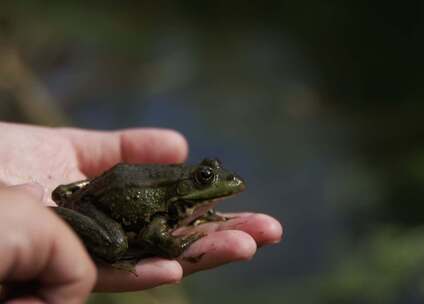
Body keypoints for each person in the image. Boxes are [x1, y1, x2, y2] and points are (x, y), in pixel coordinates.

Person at [0, 122, 282, 304]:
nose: (223, 180)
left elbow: (65, 191)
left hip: (94, 191)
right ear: (187, 183)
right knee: (116, 245)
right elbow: (152, 234)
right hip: (104, 211)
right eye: (205, 177)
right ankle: (71, 230)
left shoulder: (181, 197)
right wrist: (183, 241)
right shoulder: (171, 205)